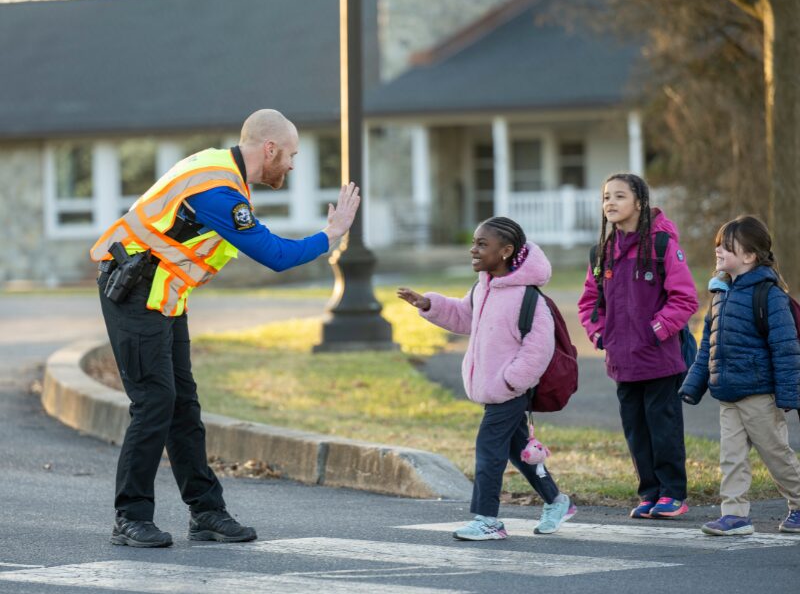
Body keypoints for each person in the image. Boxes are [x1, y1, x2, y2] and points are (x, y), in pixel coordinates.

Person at [89, 109, 360, 548]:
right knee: (155, 401)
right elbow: (275, 255)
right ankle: (130, 517)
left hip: (162, 293)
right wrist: (331, 234)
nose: (292, 165)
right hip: (134, 291)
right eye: (290, 155)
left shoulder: (220, 170)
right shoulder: (218, 190)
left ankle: (207, 513)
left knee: (182, 404)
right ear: (269, 149)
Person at [397, 217, 576, 541]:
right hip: (496, 387)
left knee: (488, 448)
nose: (473, 249)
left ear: (506, 251)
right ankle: (556, 500)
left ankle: (488, 519)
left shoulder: (529, 298)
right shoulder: (484, 286)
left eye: (482, 244)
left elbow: (539, 347)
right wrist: (428, 304)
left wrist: (511, 382)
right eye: (474, 243)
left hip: (508, 389)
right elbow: (465, 316)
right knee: (517, 448)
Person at [577, 173, 698, 520]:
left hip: (660, 357)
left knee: (663, 427)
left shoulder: (662, 245)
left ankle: (672, 494)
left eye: (619, 196)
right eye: (605, 198)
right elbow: (590, 302)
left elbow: (685, 298)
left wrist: (655, 330)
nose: (610, 203)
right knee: (635, 429)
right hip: (621, 360)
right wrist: (601, 334)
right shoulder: (602, 251)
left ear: (640, 203)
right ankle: (649, 493)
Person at [680, 215, 800, 536]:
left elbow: (786, 347)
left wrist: (790, 395)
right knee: (731, 458)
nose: (718, 252)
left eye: (727, 248)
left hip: (760, 394)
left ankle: (799, 503)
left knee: (776, 456)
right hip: (728, 393)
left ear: (750, 256)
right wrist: (694, 384)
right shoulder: (719, 293)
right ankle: (735, 515)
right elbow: (709, 345)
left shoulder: (769, 294)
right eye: (717, 246)